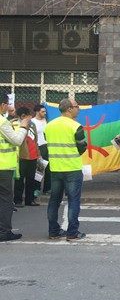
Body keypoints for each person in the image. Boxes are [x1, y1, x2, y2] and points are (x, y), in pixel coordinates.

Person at [46, 98, 87, 241]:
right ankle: (72, 233)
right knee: (73, 200)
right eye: (77, 106)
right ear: (69, 109)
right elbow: (82, 146)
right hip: (72, 168)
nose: (79, 109)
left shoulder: (49, 125)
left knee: (54, 200)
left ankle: (53, 232)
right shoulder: (76, 126)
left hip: (55, 168)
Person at [0, 93, 28, 241]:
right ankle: (4, 232)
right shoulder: (2, 122)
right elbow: (16, 140)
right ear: (3, 105)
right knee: (5, 200)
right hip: (3, 168)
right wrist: (23, 127)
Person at [13, 107, 40, 207]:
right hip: (21, 156)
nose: (31, 117)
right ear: (23, 116)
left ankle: (30, 200)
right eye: (29, 115)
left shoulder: (32, 124)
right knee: (19, 180)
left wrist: (38, 153)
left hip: (33, 156)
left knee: (31, 179)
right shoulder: (15, 124)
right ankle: (18, 200)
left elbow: (35, 140)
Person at [32, 104, 50, 195]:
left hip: (47, 146)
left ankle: (47, 189)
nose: (44, 113)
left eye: (45, 111)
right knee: (40, 168)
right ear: (37, 112)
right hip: (39, 146)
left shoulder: (46, 120)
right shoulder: (32, 122)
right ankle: (36, 188)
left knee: (49, 169)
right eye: (43, 111)